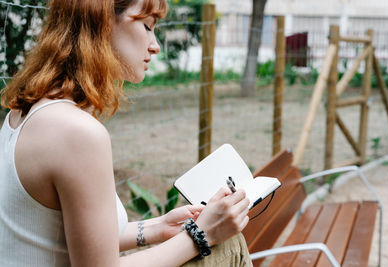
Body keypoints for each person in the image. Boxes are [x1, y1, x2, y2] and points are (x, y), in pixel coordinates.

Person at [0, 0, 253, 266]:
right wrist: (202, 234)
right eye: (146, 26)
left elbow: (58, 237)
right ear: (102, 21)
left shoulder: (27, 111)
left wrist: (158, 227)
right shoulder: (76, 132)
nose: (155, 45)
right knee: (228, 243)